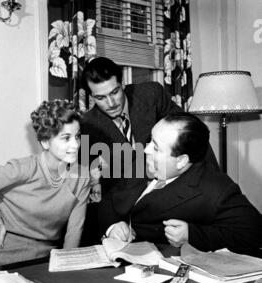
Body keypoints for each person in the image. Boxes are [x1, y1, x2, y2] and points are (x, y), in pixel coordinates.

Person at [80, 56, 218, 244]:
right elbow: (98, 187)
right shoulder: (88, 125)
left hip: (177, 190)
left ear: (122, 84)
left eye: (115, 92)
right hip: (133, 208)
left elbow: (190, 133)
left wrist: (212, 183)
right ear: (90, 96)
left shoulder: (151, 95)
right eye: (100, 98)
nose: (111, 103)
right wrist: (112, 226)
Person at [102, 113, 262, 254]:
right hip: (111, 253)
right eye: (151, 141)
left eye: (156, 148)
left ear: (181, 161)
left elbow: (254, 232)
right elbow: (109, 199)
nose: (146, 150)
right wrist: (112, 226)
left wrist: (192, 235)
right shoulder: (148, 161)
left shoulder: (214, 189)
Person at [0, 100, 90, 269]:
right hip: (3, 255)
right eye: (65, 138)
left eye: (77, 136)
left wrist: (65, 269)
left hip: (45, 260)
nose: (75, 145)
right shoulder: (20, 169)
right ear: (45, 142)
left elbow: (73, 234)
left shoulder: (82, 177)